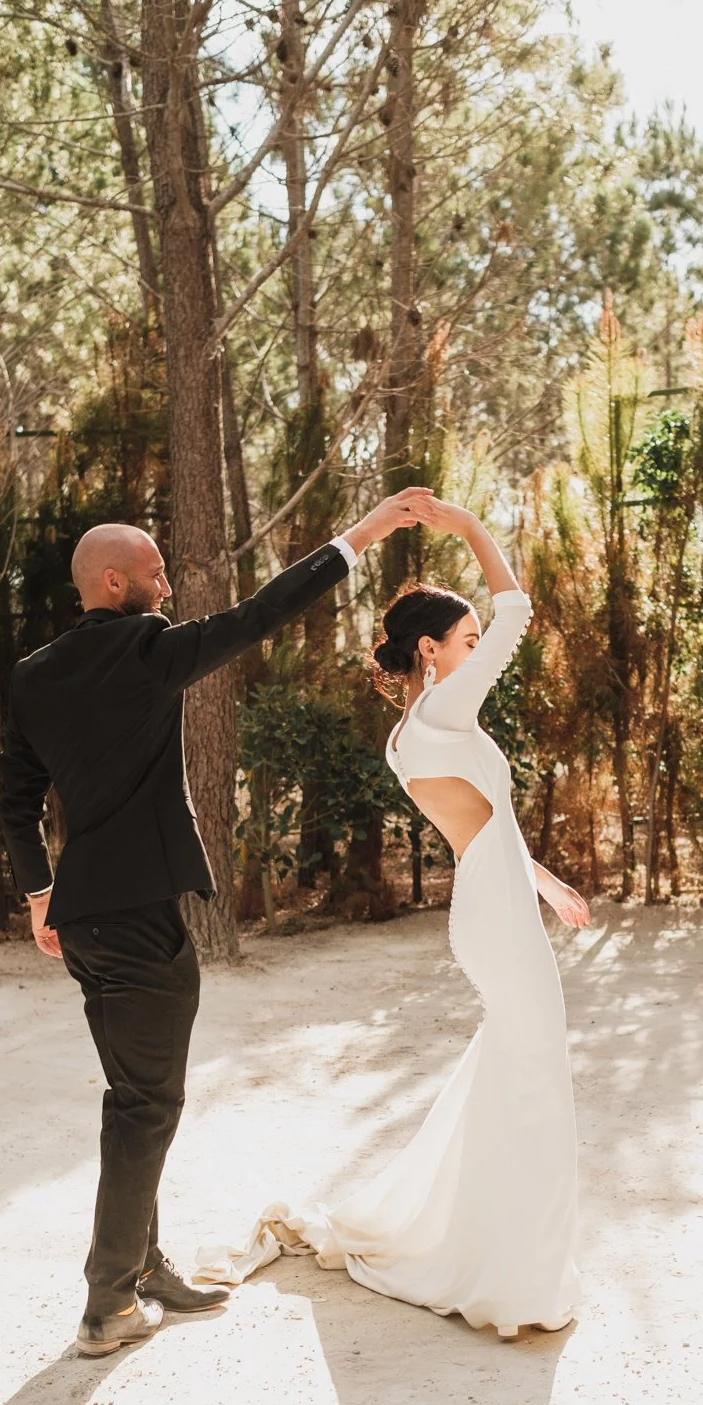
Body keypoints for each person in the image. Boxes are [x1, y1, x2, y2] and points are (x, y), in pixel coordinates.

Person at [0, 490, 434, 1357]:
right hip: (135, 919)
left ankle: (144, 1268)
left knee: (136, 1098)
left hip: (86, 915)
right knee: (146, 1106)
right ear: (113, 581)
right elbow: (264, 611)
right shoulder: (149, 650)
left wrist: (41, 894)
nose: (167, 582)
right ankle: (107, 1305)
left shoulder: (35, 672)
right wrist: (366, 533)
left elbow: (15, 798)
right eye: (154, 570)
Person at [198, 498, 588, 1340]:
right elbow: (518, 608)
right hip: (492, 915)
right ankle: (507, 1272)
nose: (480, 651)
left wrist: (548, 884)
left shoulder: (416, 731)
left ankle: (491, 1247)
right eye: (468, 642)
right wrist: (465, 527)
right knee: (534, 1071)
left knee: (516, 1069)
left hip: (494, 904)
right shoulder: (445, 713)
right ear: (430, 651)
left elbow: (486, 823)